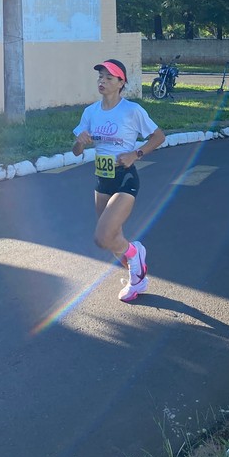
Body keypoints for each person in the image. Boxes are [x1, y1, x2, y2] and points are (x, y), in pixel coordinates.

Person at [72, 59, 165, 302]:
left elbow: (158, 136)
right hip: (102, 180)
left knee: (103, 237)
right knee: (114, 241)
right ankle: (138, 280)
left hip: (125, 179)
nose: (102, 81)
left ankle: (136, 253)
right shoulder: (90, 112)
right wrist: (80, 142)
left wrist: (136, 154)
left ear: (121, 82)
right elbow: (76, 151)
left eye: (109, 78)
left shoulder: (132, 110)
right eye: (100, 76)